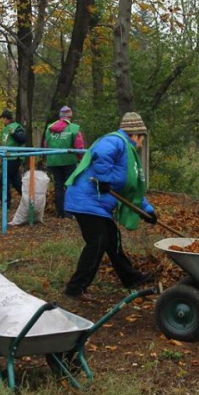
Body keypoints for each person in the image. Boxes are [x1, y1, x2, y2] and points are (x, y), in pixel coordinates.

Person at [62, 112, 156, 302]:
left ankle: (131, 278)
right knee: (97, 242)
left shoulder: (128, 155)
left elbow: (130, 188)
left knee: (112, 240)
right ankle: (75, 288)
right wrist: (104, 180)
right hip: (87, 201)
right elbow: (102, 153)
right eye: (142, 139)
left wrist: (148, 211)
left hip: (97, 204)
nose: (142, 143)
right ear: (135, 135)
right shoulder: (117, 140)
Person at [43, 106, 85, 218]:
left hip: (53, 161)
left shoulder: (49, 128)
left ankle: (59, 212)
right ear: (70, 116)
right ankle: (69, 211)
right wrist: (81, 158)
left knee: (58, 186)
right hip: (68, 161)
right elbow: (79, 146)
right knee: (69, 185)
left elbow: (46, 145)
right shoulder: (74, 128)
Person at [0, 109, 26, 207]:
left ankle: (5, 203)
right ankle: (28, 198)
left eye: (2, 118)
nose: (2, 121)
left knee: (3, 180)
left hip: (14, 158)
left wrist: (14, 133)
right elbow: (5, 144)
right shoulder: (5, 129)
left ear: (6, 118)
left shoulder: (17, 127)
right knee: (15, 181)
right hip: (7, 158)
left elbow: (22, 139)